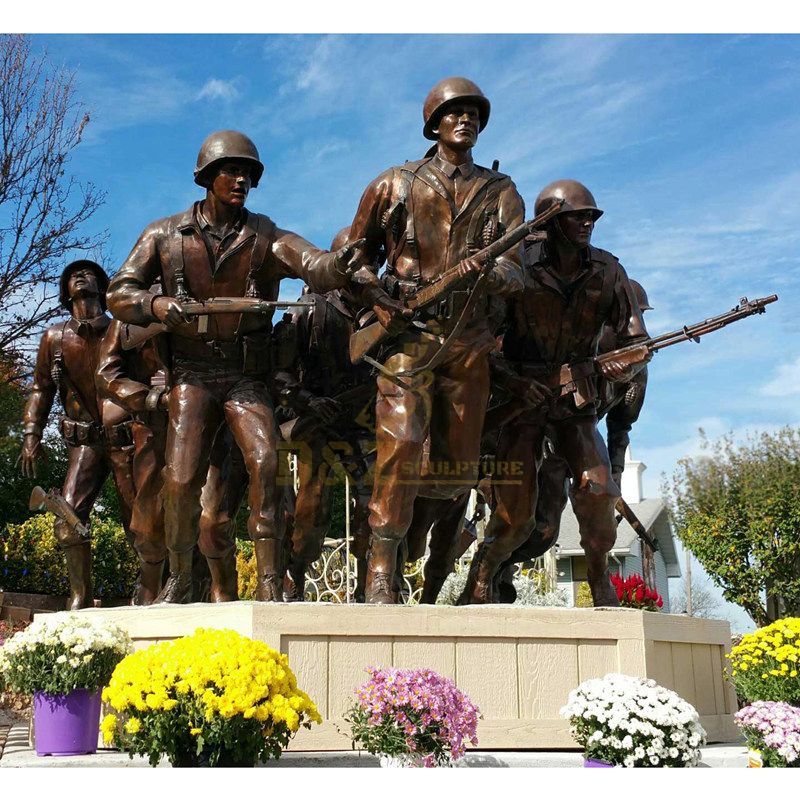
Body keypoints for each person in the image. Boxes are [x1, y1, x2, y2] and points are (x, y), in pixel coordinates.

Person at [106, 130, 364, 603]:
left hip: (246, 378)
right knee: (181, 479)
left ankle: (269, 580)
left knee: (266, 464)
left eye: (249, 173)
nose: (241, 179)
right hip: (193, 374)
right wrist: (157, 304)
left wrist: (340, 264)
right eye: (232, 170)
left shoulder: (263, 235)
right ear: (207, 177)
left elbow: (312, 262)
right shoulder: (164, 235)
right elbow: (118, 292)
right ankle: (181, 577)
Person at [345, 77, 526, 603]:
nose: (465, 120)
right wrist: (380, 298)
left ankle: (410, 538)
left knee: (454, 473)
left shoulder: (501, 193)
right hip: (409, 335)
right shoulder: (396, 184)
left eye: (473, 113)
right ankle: (381, 563)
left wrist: (488, 272)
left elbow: (518, 276)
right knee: (400, 445)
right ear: (434, 123)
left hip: (468, 344)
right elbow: (354, 259)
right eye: (454, 112)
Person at [458, 179, 649, 606]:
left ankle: (600, 583)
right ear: (548, 221)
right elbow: (482, 339)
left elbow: (639, 340)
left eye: (592, 216)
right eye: (577, 216)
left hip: (576, 402)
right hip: (521, 401)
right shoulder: (518, 264)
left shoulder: (608, 269)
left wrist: (626, 363)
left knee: (600, 491)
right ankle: (483, 576)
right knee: (516, 518)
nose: (588, 223)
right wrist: (513, 382)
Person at [20, 260, 136, 609]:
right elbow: (41, 390)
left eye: (88, 274)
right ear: (65, 290)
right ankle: (80, 597)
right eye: (73, 275)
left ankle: (152, 592)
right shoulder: (54, 338)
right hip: (84, 443)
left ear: (103, 287)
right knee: (68, 519)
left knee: (140, 522)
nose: (80, 277)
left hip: (125, 440)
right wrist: (31, 433)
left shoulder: (122, 331)